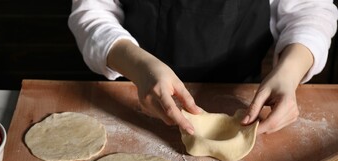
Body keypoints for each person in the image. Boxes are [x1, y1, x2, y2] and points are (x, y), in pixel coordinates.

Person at [68, 0, 338, 135]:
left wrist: (290, 72)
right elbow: (92, 11)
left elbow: (310, 9)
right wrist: (139, 67)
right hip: (132, 89)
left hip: (243, 100)